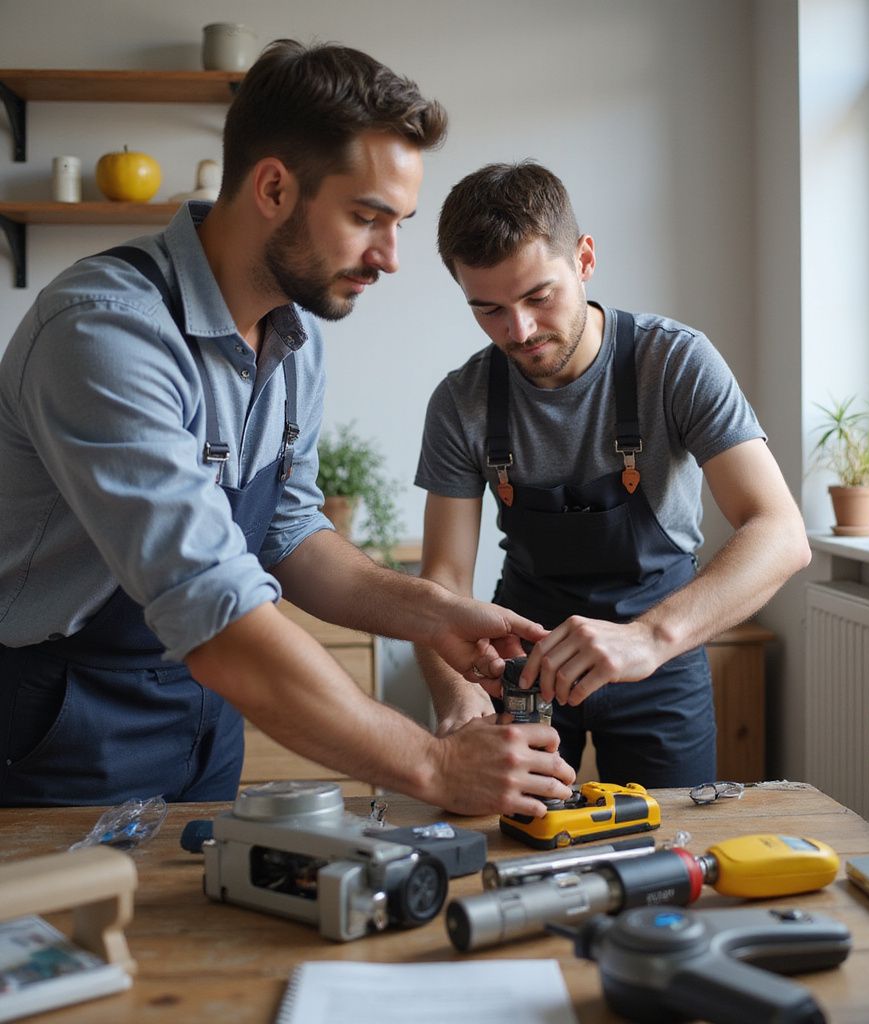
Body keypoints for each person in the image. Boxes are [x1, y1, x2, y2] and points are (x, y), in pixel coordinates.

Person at [0, 44, 575, 813]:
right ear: (273, 186)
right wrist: (434, 766)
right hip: (63, 716)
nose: (391, 257)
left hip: (206, 711)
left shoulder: (294, 335)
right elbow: (212, 605)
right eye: (368, 217)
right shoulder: (104, 332)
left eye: (398, 222)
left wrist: (431, 615)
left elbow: (287, 532)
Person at [414, 161, 810, 788]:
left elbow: (781, 532)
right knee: (517, 849)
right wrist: (458, 694)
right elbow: (444, 579)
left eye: (539, 297)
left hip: (660, 658)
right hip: (523, 664)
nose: (518, 331)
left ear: (585, 259)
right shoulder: (461, 401)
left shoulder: (675, 361)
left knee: (667, 847)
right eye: (488, 310)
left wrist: (650, 638)